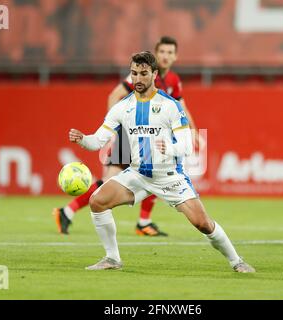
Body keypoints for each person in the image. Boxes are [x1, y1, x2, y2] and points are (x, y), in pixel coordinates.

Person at [68, 51, 255, 273]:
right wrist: (83, 139)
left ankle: (236, 261)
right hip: (138, 174)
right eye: (134, 73)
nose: (138, 79)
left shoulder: (171, 106)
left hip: (169, 176)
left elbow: (186, 145)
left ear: (154, 74)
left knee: (202, 223)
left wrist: (171, 148)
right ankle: (112, 258)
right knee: (97, 201)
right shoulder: (122, 107)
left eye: (143, 73)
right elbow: (98, 140)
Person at [53, 36, 198, 236]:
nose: (166, 56)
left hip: (150, 136)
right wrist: (118, 129)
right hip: (129, 136)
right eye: (162, 52)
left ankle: (143, 222)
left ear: (176, 56)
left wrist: (193, 128)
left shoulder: (173, 80)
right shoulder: (138, 76)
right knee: (110, 182)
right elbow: (113, 96)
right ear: (156, 54)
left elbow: (181, 105)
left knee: (156, 170)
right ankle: (68, 211)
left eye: (170, 53)